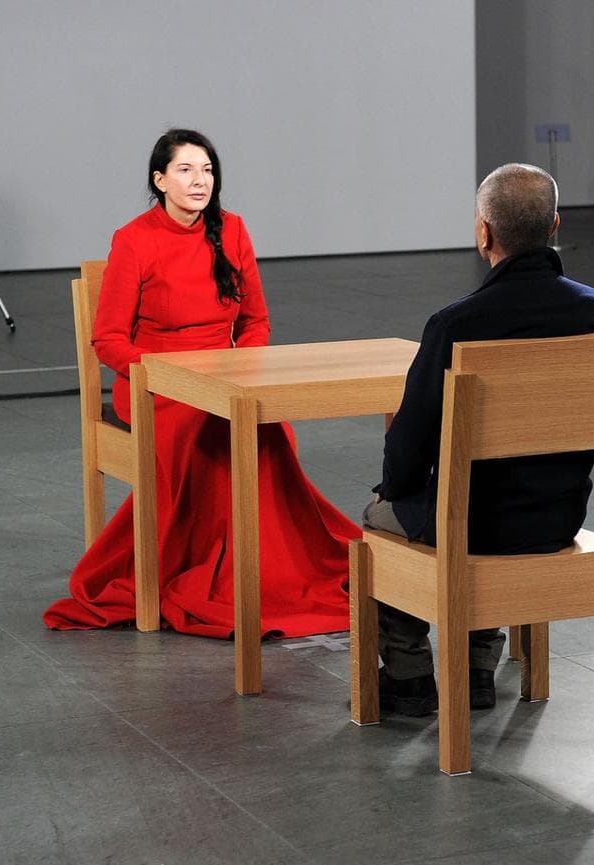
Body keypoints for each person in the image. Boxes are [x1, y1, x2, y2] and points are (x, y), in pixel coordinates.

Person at [44, 129, 359, 637]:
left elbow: (255, 322)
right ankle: (208, 574)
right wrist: (165, 375)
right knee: (204, 433)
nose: (199, 180)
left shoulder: (232, 230)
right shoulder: (134, 239)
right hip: (156, 385)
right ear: (160, 179)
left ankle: (265, 572)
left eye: (207, 170)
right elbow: (108, 341)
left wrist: (241, 369)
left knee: (271, 429)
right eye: (186, 170)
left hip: (223, 376)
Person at [364, 163, 594, 717]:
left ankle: (408, 678)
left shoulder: (455, 325)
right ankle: (479, 668)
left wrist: (391, 493)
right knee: (494, 499)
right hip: (558, 518)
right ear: (555, 224)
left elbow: (409, 439)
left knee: (380, 522)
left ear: (484, 232)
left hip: (473, 523)